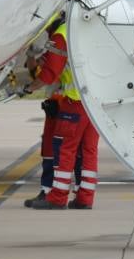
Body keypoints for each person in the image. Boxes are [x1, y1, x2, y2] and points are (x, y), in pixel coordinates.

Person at [26, 15, 98, 210]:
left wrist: (29, 88)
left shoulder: (61, 35)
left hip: (75, 101)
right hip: (96, 101)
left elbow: (50, 73)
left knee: (65, 148)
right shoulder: (87, 27)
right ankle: (85, 198)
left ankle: (57, 197)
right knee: (88, 150)